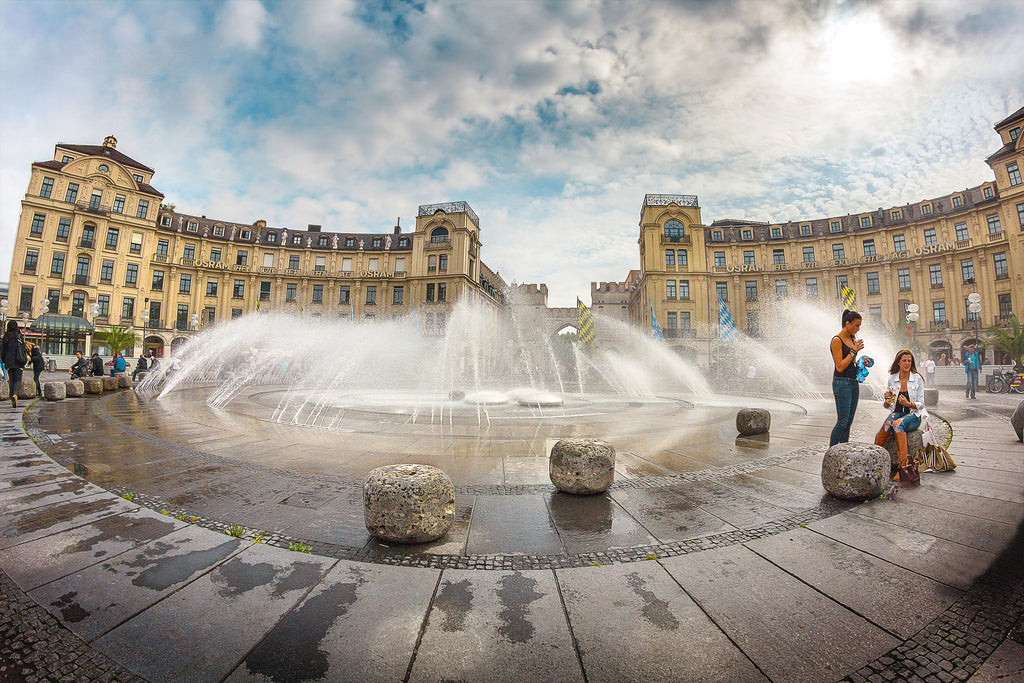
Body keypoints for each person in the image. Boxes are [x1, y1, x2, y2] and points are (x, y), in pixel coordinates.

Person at [874, 349, 926, 486]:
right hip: (897, 412)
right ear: (898, 362)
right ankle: (873, 459)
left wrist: (908, 404)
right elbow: (888, 405)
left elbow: (921, 404)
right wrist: (886, 401)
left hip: (913, 415)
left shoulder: (917, 378)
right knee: (886, 424)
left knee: (897, 424)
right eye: (904, 360)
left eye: (909, 361)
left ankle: (903, 468)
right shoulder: (892, 378)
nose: (907, 363)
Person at [830, 309, 864, 447]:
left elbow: (851, 362)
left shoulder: (852, 339)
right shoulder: (837, 340)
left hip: (853, 382)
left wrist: (861, 362)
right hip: (841, 382)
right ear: (847, 323)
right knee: (842, 421)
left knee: (849, 421)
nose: (858, 329)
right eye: (856, 325)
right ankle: (831, 451)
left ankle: (843, 451)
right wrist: (854, 351)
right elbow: (840, 366)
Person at [1, 321, 28, 408]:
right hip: (18, 361)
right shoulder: (19, 336)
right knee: (17, 380)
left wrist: (4, 360)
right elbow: (23, 349)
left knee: (11, 380)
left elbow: (2, 350)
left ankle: (12, 395)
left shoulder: (6, 337)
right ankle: (15, 395)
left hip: (9, 362)